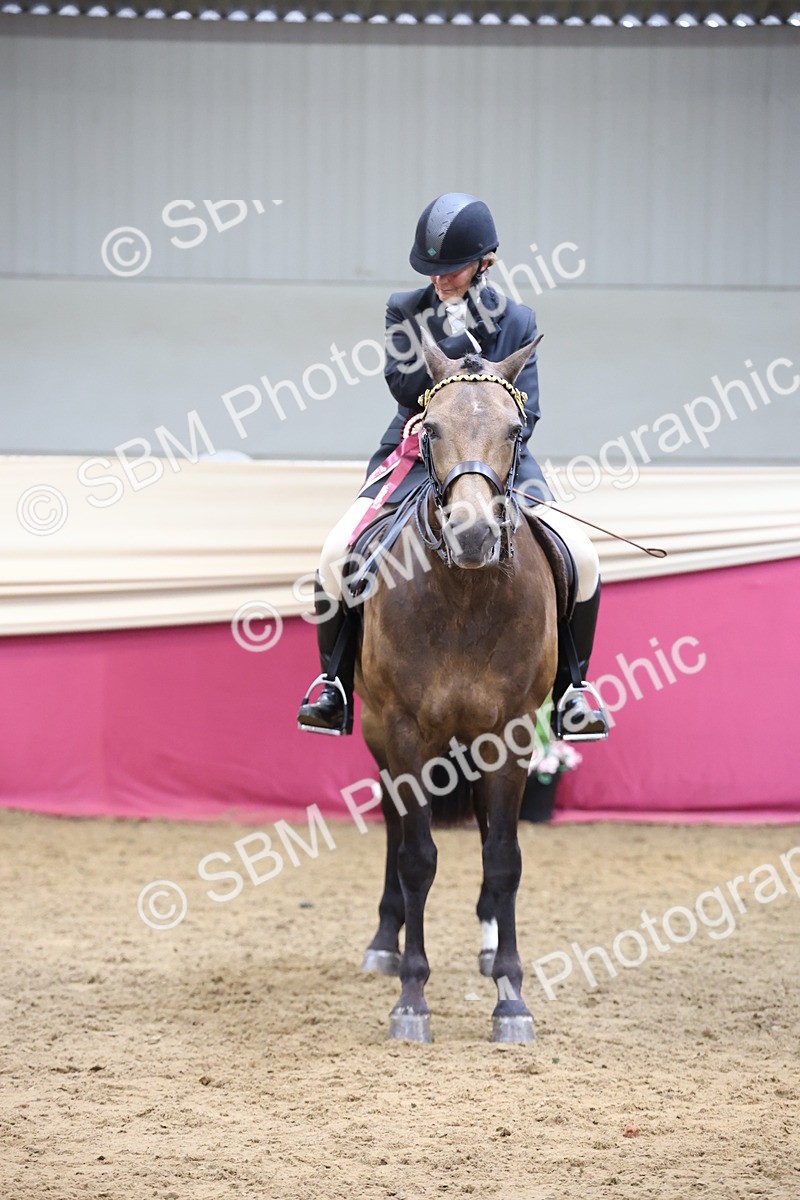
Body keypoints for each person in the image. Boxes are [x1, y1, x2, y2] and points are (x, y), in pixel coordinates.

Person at [297, 192, 608, 742]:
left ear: (485, 262)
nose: (440, 279)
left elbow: (527, 410)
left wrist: (487, 447)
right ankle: (333, 684)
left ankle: (572, 690)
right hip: (419, 452)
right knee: (335, 551)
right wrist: (448, 333)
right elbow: (401, 384)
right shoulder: (405, 308)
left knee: (581, 555)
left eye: (453, 269)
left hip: (497, 460)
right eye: (432, 269)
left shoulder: (518, 319)